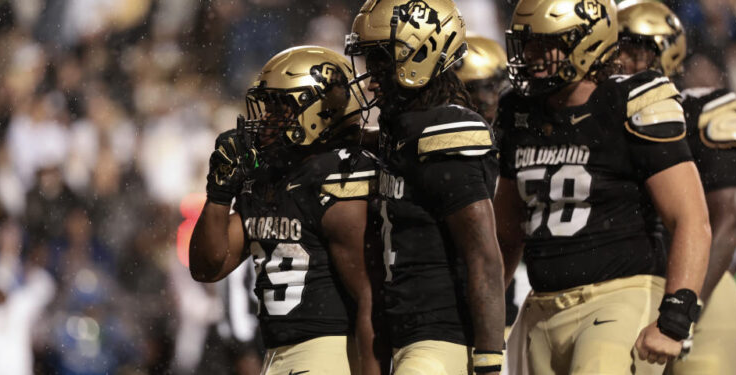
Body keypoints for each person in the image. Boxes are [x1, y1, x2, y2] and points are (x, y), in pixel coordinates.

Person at [494, 0, 711, 373]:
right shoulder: (520, 110)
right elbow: (506, 231)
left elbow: (691, 219)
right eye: (528, 44)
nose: (533, 56)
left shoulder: (630, 100)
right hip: (541, 305)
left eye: (548, 44)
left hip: (617, 298)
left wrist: (676, 316)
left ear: (588, 43)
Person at [189, 46, 385, 375]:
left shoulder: (340, 176)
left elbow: (370, 300)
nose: (265, 120)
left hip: (330, 354)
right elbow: (208, 266)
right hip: (277, 355)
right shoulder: (270, 179)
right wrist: (219, 192)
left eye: (278, 109)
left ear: (316, 111)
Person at [345, 1, 506, 374]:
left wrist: (487, 359)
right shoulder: (402, 128)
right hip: (408, 335)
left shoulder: (444, 133)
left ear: (419, 55)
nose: (370, 80)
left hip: (440, 340)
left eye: (381, 63)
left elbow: (482, 255)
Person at [617, 1, 736, 373]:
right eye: (618, 50)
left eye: (637, 51)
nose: (626, 62)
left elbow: (729, 218)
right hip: (623, 290)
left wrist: (687, 304)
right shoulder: (598, 118)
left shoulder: (703, 110)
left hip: (699, 289)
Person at [453, 33, 526, 332]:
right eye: (464, 94)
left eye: (483, 90)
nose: (478, 104)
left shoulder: (518, 143)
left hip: (508, 287)